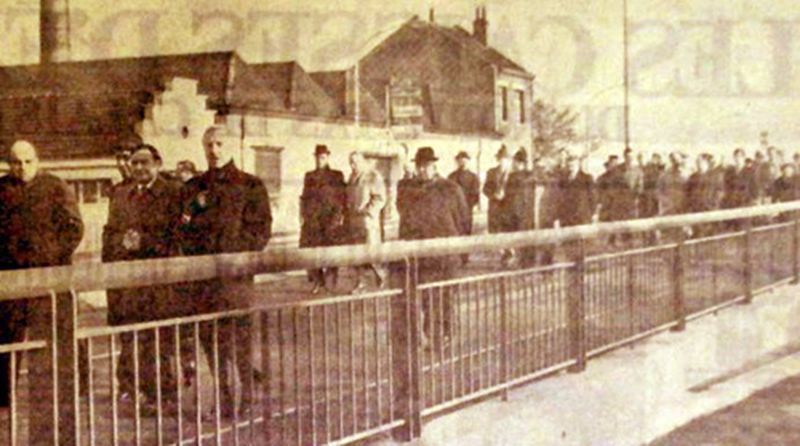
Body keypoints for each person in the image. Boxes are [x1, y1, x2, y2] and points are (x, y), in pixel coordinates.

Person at [176, 125, 272, 418]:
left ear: (229, 146)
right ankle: (225, 397)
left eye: (219, 144)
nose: (214, 150)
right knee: (210, 343)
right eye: (209, 145)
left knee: (238, 342)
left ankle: (247, 395)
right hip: (204, 281)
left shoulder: (250, 185)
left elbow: (261, 231)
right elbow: (180, 230)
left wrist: (234, 256)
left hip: (235, 281)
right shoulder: (193, 187)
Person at [0, 140, 83, 408]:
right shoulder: (1, 189)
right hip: (11, 280)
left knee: (56, 335)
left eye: (27, 161)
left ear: (37, 161)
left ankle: (69, 392)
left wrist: (49, 257)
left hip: (47, 278)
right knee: (7, 337)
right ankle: (3, 397)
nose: (22, 168)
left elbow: (73, 229)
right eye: (15, 162)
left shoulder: (56, 187)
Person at [102, 144, 181, 414]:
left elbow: (178, 235)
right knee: (133, 340)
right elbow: (110, 233)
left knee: (159, 342)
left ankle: (164, 395)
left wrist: (144, 242)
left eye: (144, 162)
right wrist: (119, 246)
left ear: (157, 164)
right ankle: (139, 393)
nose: (138, 168)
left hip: (159, 282)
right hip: (129, 282)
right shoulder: (122, 195)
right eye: (134, 163)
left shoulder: (172, 193)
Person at [395, 147, 469, 348]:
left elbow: (464, 221)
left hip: (446, 253)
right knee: (426, 296)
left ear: (434, 166)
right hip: (422, 255)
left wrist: (462, 253)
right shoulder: (409, 190)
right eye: (419, 166)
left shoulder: (450, 188)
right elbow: (405, 220)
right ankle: (429, 335)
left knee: (445, 297)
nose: (422, 170)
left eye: (426, 166)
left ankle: (446, 335)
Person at [300, 145, 347, 294]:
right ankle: (318, 282)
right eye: (317, 157)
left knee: (331, 251)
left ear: (327, 157)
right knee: (313, 252)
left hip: (330, 220)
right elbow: (304, 197)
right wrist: (302, 215)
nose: (319, 160)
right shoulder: (309, 176)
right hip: (313, 221)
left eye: (322, 157)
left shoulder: (336, 175)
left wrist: (338, 218)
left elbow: (341, 199)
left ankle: (331, 281)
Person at [345, 151, 387, 294]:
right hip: (353, 222)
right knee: (357, 255)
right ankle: (360, 283)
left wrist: (368, 212)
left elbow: (380, 198)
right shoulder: (351, 178)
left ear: (362, 161)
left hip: (367, 223)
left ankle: (380, 275)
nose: (353, 165)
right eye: (351, 162)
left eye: (355, 162)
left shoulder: (373, 176)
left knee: (371, 254)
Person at [483, 145, 515, 266]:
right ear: (497, 160)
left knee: (508, 231)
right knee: (496, 233)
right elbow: (485, 189)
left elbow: (516, 192)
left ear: (509, 161)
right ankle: (502, 255)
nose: (503, 161)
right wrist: (493, 195)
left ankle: (509, 255)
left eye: (505, 159)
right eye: (501, 159)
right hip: (495, 208)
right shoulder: (491, 173)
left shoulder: (513, 174)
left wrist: (506, 195)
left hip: (508, 209)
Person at [447, 151, 480, 265]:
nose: (462, 162)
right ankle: (456, 256)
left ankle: (465, 257)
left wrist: (467, 206)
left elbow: (475, 195)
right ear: (457, 161)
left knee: (466, 232)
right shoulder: (451, 177)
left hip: (467, 210)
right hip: (454, 211)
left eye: (464, 159)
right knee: (455, 231)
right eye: (460, 159)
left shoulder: (473, 177)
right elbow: (448, 194)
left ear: (468, 161)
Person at [506, 149, 537, 267]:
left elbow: (530, 195)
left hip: (526, 212)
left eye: (517, 162)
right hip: (514, 211)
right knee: (516, 238)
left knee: (527, 237)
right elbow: (509, 196)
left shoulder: (529, 176)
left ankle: (528, 262)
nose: (515, 164)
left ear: (522, 164)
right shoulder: (511, 176)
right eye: (514, 162)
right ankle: (519, 260)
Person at [657, 152, 688, 241]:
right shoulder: (664, 175)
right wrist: (665, 201)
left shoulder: (686, 174)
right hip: (668, 208)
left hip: (682, 208)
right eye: (673, 160)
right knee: (668, 233)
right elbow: (658, 191)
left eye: (677, 160)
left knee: (682, 233)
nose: (676, 162)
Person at [685, 155, 717, 238]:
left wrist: (712, 207)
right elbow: (687, 195)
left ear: (707, 163)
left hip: (709, 212)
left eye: (701, 162)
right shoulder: (693, 177)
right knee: (696, 236)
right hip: (695, 212)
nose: (699, 165)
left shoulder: (713, 177)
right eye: (697, 162)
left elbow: (718, 194)